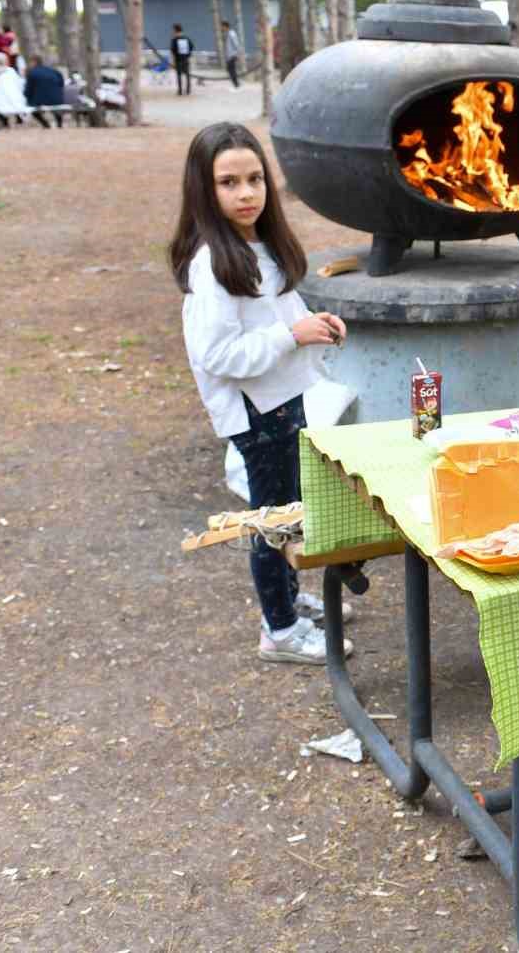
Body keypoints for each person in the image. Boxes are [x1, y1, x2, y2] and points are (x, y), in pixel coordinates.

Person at [169, 122, 352, 664]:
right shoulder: (212, 264)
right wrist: (289, 336)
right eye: (228, 183)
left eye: (254, 180)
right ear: (204, 189)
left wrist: (310, 322)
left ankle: (290, 601)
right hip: (255, 414)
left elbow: (281, 315)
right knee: (269, 524)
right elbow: (218, 355)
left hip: (284, 400)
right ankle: (279, 630)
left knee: (289, 509)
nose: (245, 193)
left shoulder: (261, 246)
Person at [0, 51, 30, 128]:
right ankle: (14, 118)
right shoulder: (10, 70)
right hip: (10, 98)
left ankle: (6, 120)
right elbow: (18, 83)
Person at [23, 56, 68, 127]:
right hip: (57, 99)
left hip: (40, 101)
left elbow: (28, 91)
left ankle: (45, 124)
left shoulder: (32, 73)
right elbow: (61, 85)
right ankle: (59, 123)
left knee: (32, 108)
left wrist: (27, 98)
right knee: (55, 106)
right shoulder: (55, 71)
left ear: (34, 62)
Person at [170, 24, 194, 95]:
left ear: (175, 30)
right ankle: (188, 90)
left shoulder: (174, 39)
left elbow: (173, 50)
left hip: (178, 59)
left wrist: (173, 60)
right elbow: (191, 46)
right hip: (186, 58)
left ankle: (180, 90)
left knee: (179, 75)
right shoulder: (186, 38)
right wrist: (188, 55)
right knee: (187, 75)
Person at [222, 20, 243, 89]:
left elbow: (236, 44)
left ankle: (237, 85)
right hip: (230, 55)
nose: (222, 28)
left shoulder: (231, 33)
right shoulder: (228, 33)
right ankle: (236, 84)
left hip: (233, 55)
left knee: (231, 69)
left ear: (226, 26)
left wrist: (238, 54)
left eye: (222, 27)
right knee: (230, 69)